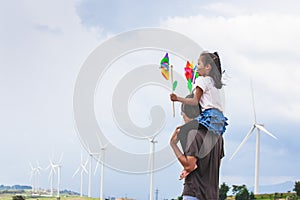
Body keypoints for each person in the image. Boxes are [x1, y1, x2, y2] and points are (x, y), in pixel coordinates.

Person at [170, 51, 228, 200]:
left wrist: (173, 145)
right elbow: (213, 168)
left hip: (194, 194)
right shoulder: (218, 138)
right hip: (212, 195)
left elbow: (191, 165)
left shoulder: (194, 135)